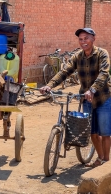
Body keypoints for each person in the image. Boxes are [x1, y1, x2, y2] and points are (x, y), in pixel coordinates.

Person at [40, 28, 111, 168]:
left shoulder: (102, 54)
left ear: (93, 39)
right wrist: (49, 85)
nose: (83, 41)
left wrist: (93, 89)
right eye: (81, 39)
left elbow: (104, 73)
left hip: (103, 98)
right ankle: (100, 157)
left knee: (105, 132)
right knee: (91, 132)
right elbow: (65, 71)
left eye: (86, 38)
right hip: (86, 99)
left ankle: (106, 160)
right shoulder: (77, 56)